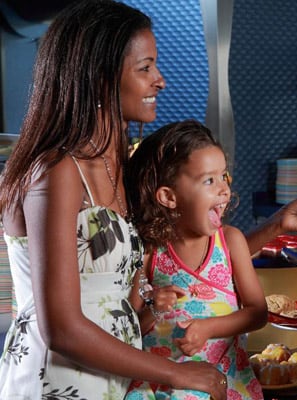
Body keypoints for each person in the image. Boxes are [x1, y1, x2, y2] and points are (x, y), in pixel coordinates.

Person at [0, 1, 226, 399]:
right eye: (145, 68)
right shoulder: (56, 170)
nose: (160, 81)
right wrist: (177, 374)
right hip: (55, 383)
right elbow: (62, 328)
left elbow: (111, 297)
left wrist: (145, 308)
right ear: (100, 77)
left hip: (111, 379)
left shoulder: (120, 163)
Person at [124, 120, 267, 399]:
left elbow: (257, 312)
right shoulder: (150, 250)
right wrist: (153, 308)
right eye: (208, 180)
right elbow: (129, 328)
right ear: (169, 196)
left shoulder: (230, 242)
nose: (224, 189)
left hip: (224, 380)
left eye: (224, 176)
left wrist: (207, 329)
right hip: (164, 385)